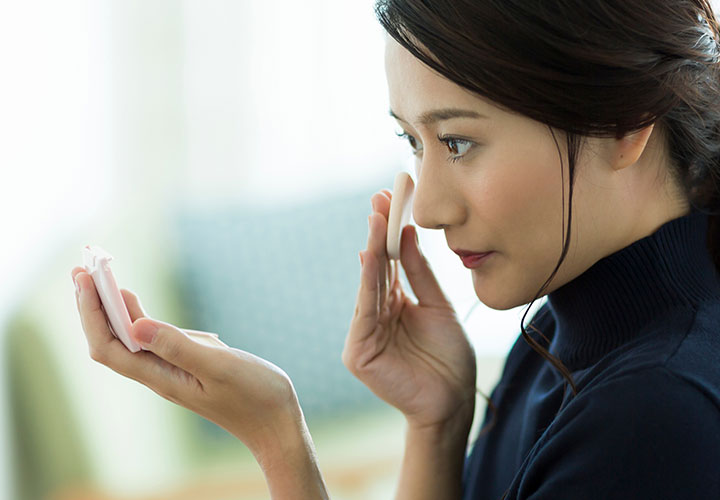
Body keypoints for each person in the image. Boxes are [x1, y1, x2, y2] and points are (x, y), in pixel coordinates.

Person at [72, 0, 720, 498]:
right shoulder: (571, 323)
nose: (430, 209)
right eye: (413, 142)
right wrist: (435, 423)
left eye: (458, 142)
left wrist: (278, 439)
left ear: (625, 122)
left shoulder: (652, 417)